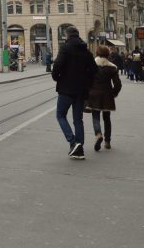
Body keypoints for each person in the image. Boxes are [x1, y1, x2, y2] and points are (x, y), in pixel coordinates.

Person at [52, 27, 97, 159]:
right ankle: (80, 147)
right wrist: (87, 84)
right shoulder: (87, 52)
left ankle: (72, 142)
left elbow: (57, 65)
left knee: (60, 115)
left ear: (67, 36)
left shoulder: (65, 48)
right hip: (81, 91)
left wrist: (57, 78)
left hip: (66, 89)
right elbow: (95, 71)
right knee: (78, 119)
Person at [88, 45, 122, 152]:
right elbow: (118, 84)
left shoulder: (91, 65)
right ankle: (107, 141)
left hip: (93, 94)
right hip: (107, 95)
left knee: (96, 117)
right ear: (107, 54)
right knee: (107, 118)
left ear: (97, 53)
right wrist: (113, 93)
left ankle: (98, 134)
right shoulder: (112, 67)